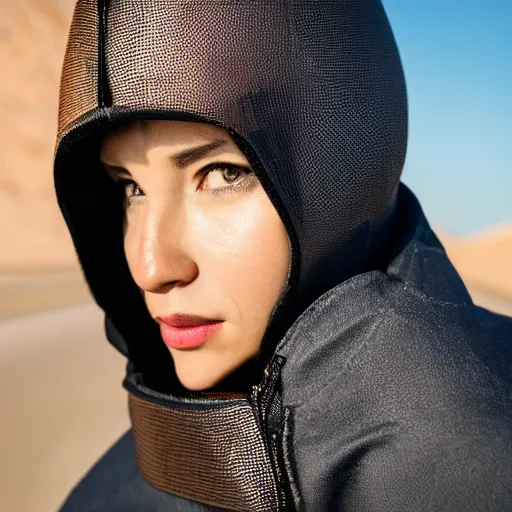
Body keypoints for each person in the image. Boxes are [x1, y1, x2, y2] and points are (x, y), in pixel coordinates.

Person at [54, 1, 512, 511]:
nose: (151, 267)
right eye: (131, 188)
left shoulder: (484, 474)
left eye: (224, 173)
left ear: (341, 170)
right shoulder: (117, 486)